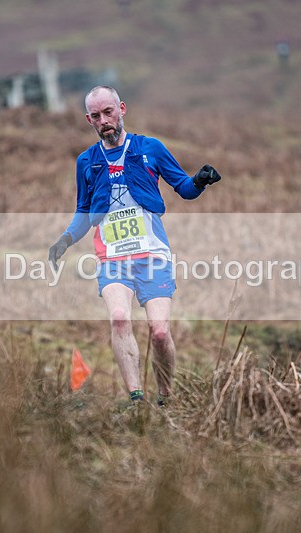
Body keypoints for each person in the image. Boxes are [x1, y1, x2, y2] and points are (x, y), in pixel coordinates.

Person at [48, 86, 221, 406]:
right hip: (112, 257)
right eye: (96, 116)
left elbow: (183, 187)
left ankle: (165, 396)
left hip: (153, 256)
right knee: (119, 318)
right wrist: (65, 240)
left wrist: (200, 179)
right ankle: (136, 399)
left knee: (158, 331)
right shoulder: (86, 161)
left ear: (122, 109)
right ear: (89, 120)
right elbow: (84, 212)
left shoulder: (149, 148)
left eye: (109, 112)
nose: (104, 120)